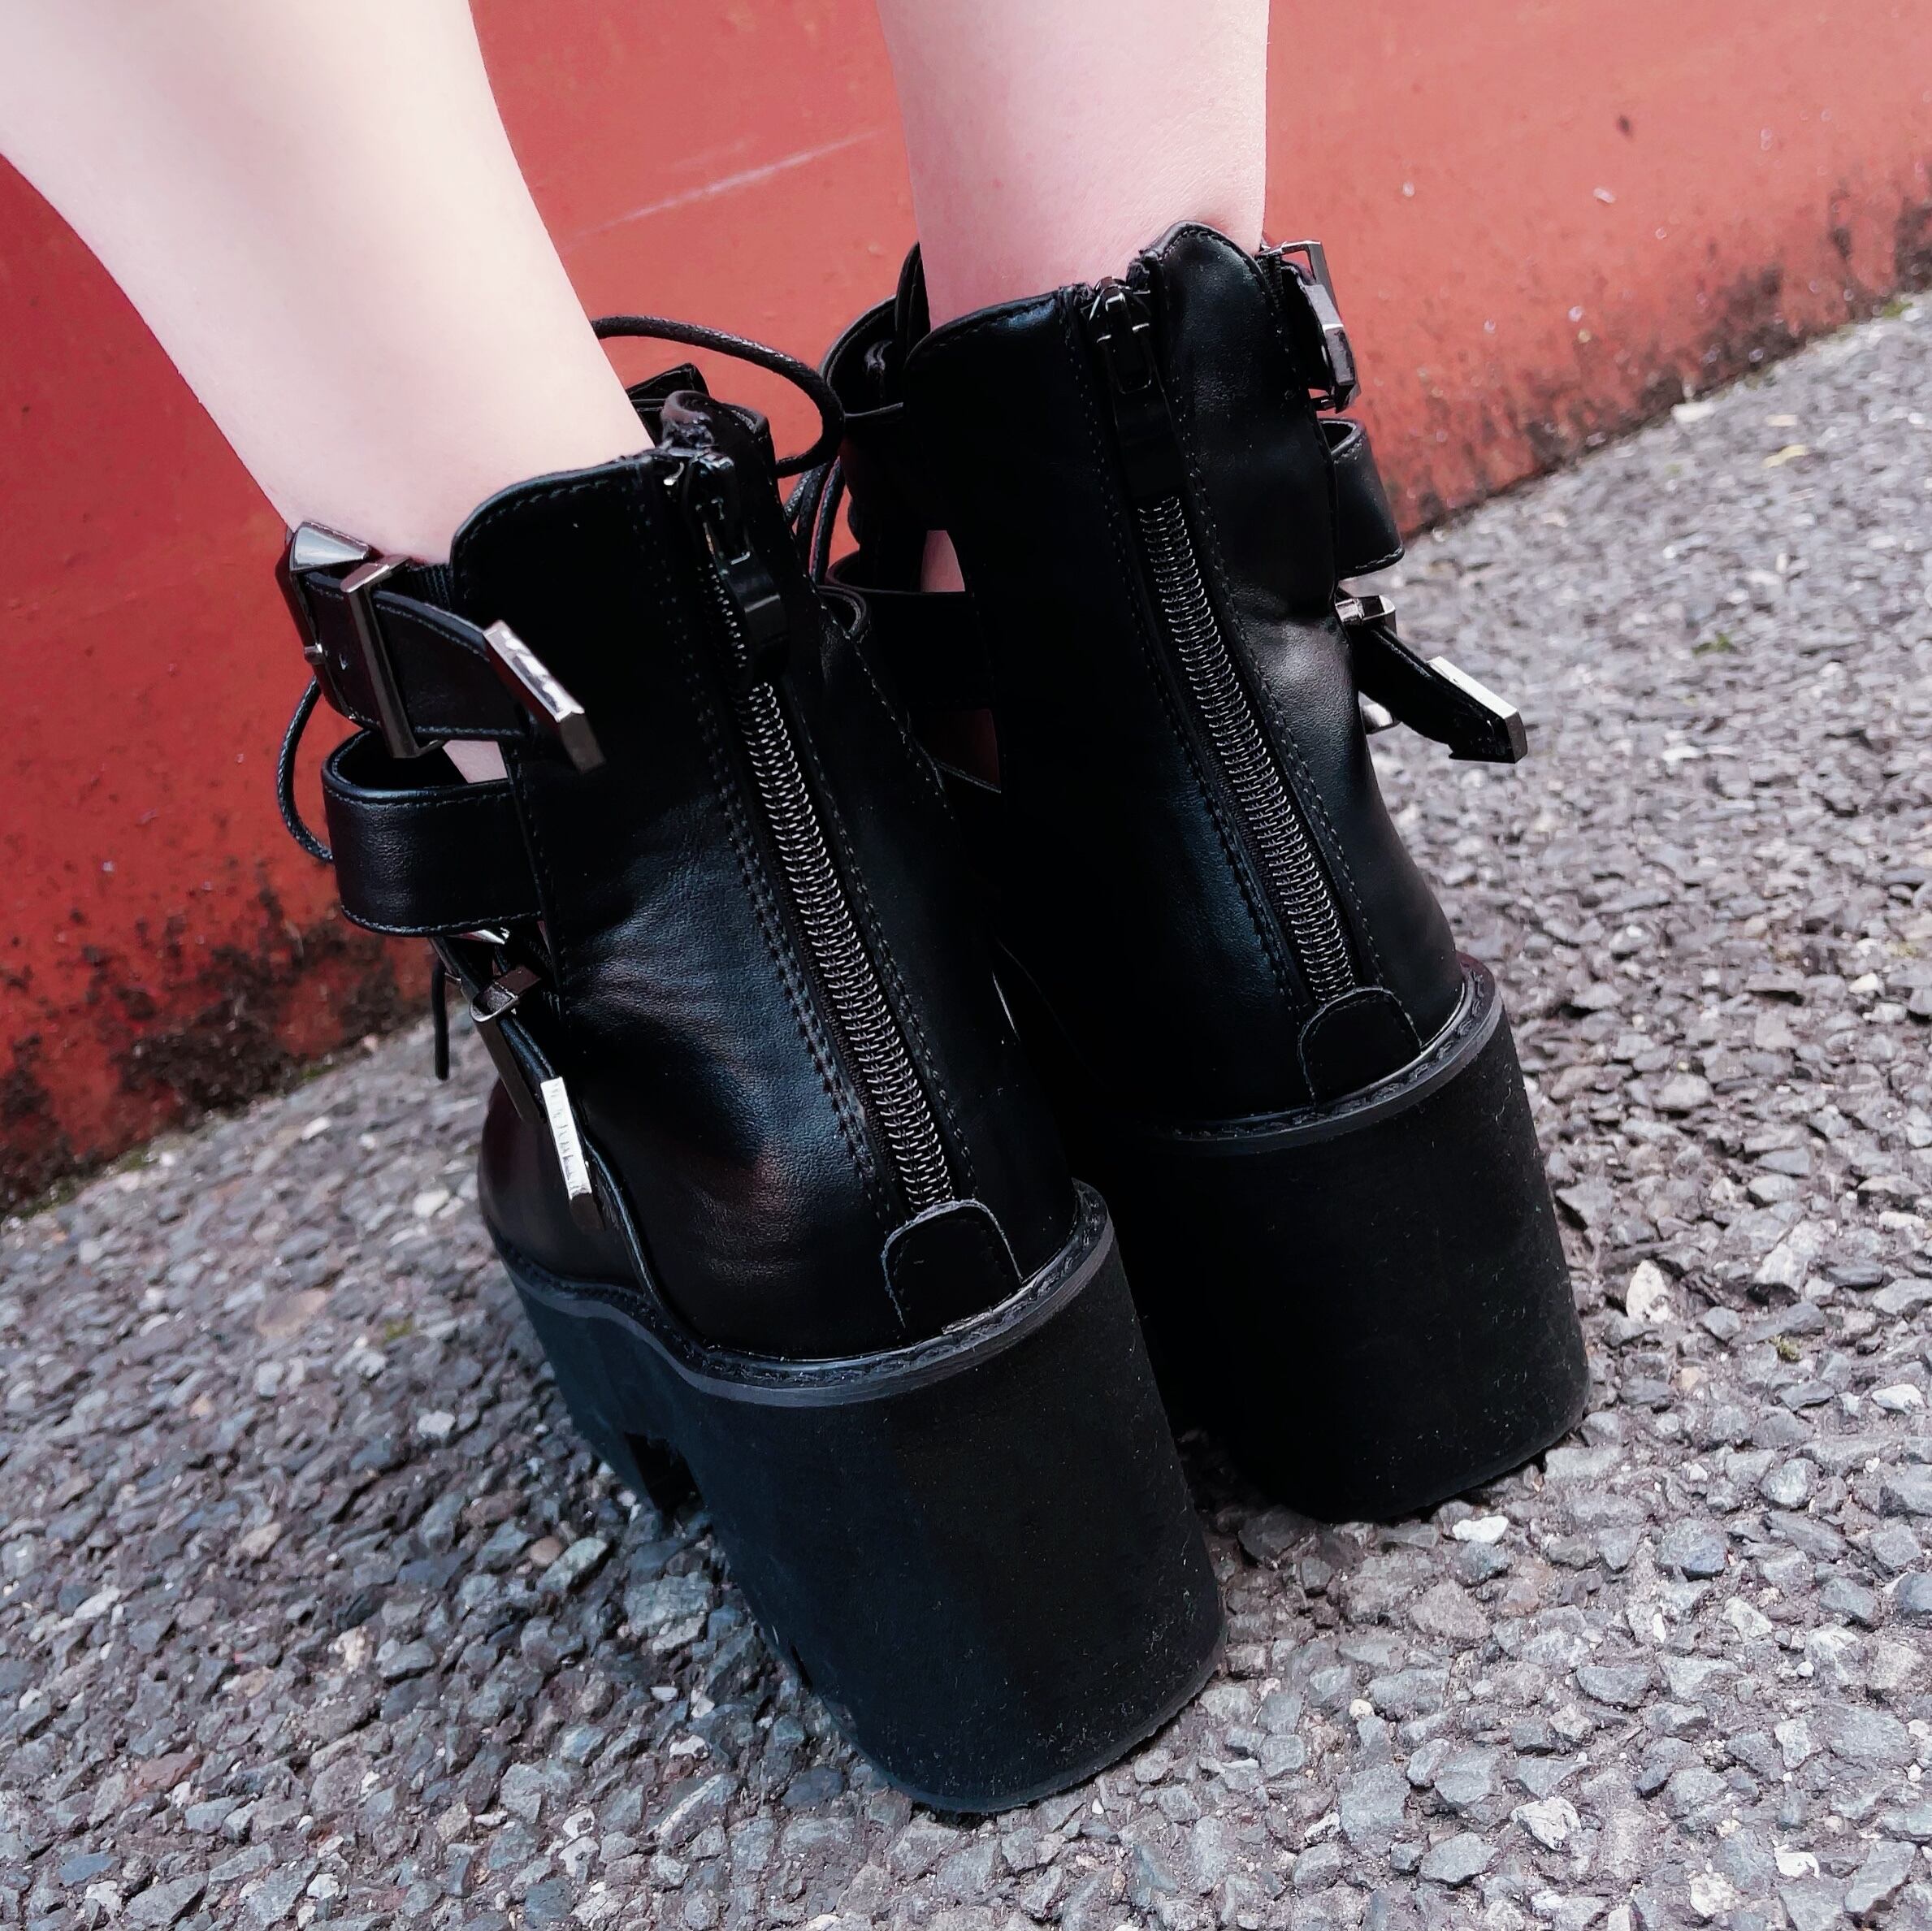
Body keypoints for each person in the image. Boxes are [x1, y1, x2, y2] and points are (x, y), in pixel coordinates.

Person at [0, 0, 1584, 1811]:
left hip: (779, 1177)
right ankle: (1260, 923)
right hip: (1306, 909)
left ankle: (789, 1117)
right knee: (1125, 392)